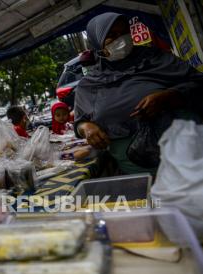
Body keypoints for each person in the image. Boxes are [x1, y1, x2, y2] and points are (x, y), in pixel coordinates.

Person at [74, 12, 203, 174]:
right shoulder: (88, 85)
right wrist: (86, 127)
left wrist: (169, 97)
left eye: (124, 32)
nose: (121, 39)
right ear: (97, 43)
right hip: (137, 168)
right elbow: (80, 122)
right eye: (112, 35)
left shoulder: (156, 59)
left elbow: (198, 83)